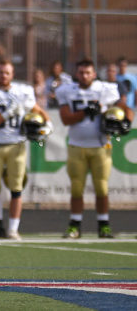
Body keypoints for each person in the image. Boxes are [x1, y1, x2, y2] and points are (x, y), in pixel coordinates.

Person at [56, 59, 133, 239]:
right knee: (76, 188)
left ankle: (104, 225)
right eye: (81, 72)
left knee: (101, 188)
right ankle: (74, 225)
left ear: (93, 74)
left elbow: (124, 106)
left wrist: (127, 121)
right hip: (76, 145)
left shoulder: (105, 89)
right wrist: (84, 112)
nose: (84, 76)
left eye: (87, 72)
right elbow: (66, 119)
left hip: (100, 146)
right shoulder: (67, 91)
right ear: (76, 74)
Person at [0, 60, 49, 240]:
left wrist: (48, 124)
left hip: (16, 145)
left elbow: (38, 110)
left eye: (7, 73)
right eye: (1, 72)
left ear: (12, 74)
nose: (4, 76)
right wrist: (7, 113)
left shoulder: (22, 92)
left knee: (16, 189)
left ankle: (13, 229)